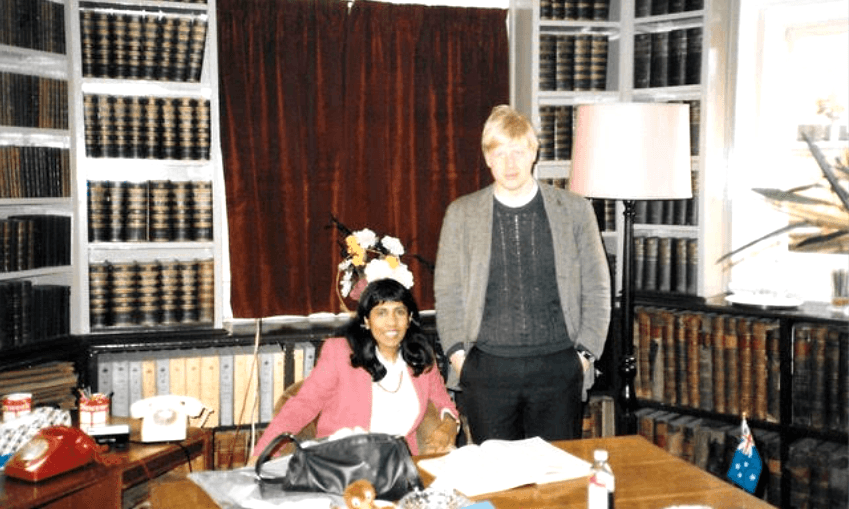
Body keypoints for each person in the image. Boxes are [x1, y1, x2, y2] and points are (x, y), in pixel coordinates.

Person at [434, 104, 611, 443]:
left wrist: (584, 356)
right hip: (487, 372)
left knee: (557, 483)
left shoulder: (575, 211)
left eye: (517, 151)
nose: (509, 163)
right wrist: (460, 359)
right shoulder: (461, 214)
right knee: (500, 484)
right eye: (499, 153)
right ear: (487, 158)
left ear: (534, 152)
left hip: (559, 370)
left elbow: (597, 288)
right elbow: (448, 293)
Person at [251, 278, 460, 458]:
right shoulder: (340, 353)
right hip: (345, 462)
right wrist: (263, 453)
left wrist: (449, 424)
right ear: (366, 321)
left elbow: (443, 401)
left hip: (399, 464)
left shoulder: (421, 357)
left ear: (410, 318)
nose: (392, 322)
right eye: (381, 313)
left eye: (399, 312)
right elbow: (303, 405)